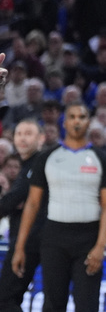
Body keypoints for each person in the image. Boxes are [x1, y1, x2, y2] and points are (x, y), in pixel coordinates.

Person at [11, 103, 106, 312]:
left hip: (88, 237)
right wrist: (20, 247)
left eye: (82, 116)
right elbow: (32, 204)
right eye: (72, 116)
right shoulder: (47, 158)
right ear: (65, 122)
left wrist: (100, 246)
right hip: (54, 237)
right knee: (53, 304)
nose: (77, 120)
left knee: (87, 305)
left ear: (89, 122)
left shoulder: (102, 159)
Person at [0, 119, 45, 312]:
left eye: (28, 133)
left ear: (41, 139)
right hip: (34, 238)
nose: (22, 138)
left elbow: (14, 199)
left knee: (6, 299)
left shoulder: (36, 165)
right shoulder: (27, 166)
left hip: (29, 241)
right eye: (19, 134)